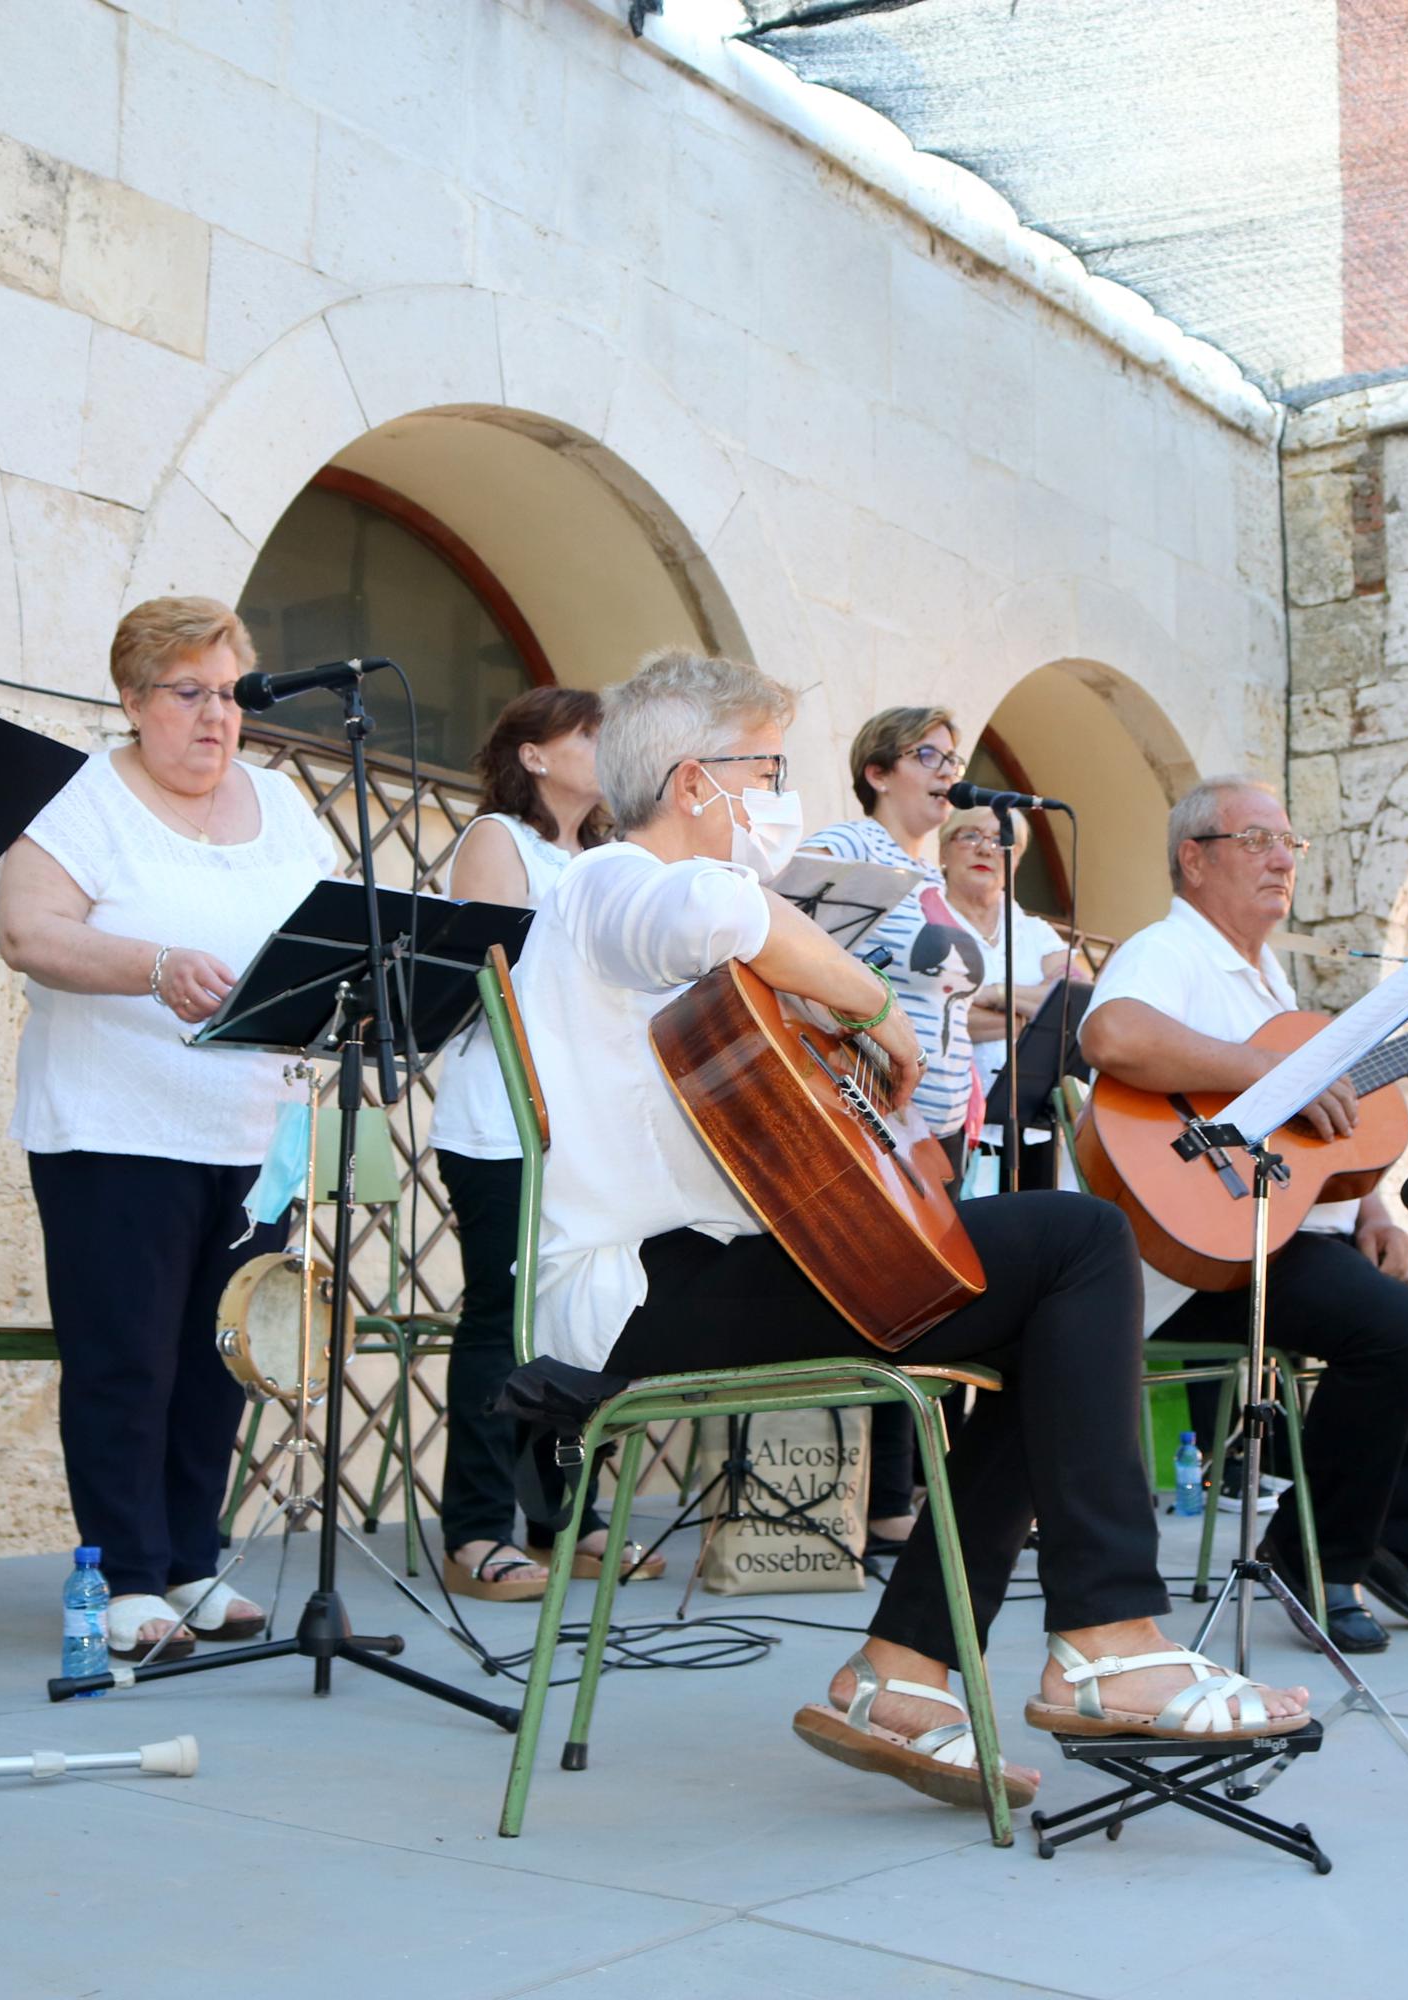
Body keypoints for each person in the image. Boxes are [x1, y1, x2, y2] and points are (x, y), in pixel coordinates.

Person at [517, 648, 1308, 1810]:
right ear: (695, 783)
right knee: (1082, 1240)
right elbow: (712, 907)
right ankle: (1106, 1636)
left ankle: (904, 1670)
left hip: (710, 1269)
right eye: (766, 767)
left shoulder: (659, 929)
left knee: (1043, 1318)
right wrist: (878, 1008)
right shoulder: (609, 886)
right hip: (639, 1295)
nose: (783, 793)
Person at [1077, 777, 1408, 1653]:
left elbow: (1318, 1125)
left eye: (1291, 843)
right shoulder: (1166, 949)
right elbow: (1114, 1040)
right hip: (1207, 1247)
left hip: (1300, 1229)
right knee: (1402, 1331)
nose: (1283, 859)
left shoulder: (1269, 978)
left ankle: (1389, 1538)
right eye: (1257, 841)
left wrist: (1374, 1210)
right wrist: (1258, 1070)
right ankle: (1312, 1557)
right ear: (1194, 857)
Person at [0, 597, 344, 1659]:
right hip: (117, 1125)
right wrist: (153, 966)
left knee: (222, 1354)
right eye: (188, 693)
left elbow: (332, 924)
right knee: (126, 1357)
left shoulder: (283, 801)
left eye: (231, 694)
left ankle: (194, 1558)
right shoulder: (85, 795)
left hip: (258, 1130)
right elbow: (27, 929)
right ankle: (126, 1573)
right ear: (134, 699)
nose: (215, 717)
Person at [426, 685, 662, 1603]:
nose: (609, 750)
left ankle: (564, 1514)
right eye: (590, 735)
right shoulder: (499, 840)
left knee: (582, 1322)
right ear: (532, 753)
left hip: (591, 1124)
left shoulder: (608, 857)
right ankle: (478, 1528)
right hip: (505, 1118)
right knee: (503, 1319)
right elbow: (496, 977)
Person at [798, 707, 985, 1545]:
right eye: (927, 755)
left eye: (954, 757)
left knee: (924, 1306)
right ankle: (874, 1503)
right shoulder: (849, 848)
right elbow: (798, 951)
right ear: (878, 771)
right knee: (886, 1298)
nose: (948, 770)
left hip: (940, 1128)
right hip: (874, 1114)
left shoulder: (933, 879)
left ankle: (895, 1498)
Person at [937, 804, 1088, 1190]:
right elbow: (938, 1014)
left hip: (1033, 1127)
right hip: (948, 1125)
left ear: (1015, 860)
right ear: (942, 851)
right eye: (970, 835)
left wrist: (993, 994)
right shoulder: (927, 923)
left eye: (1002, 842)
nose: (986, 849)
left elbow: (1075, 1001)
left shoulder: (1037, 933)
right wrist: (1037, 1020)